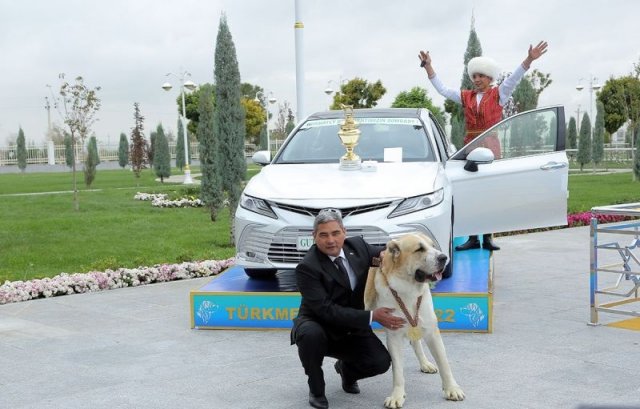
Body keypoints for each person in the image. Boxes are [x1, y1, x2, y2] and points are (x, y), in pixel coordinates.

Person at [418, 41, 548, 251]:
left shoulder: (500, 93)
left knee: (490, 191)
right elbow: (441, 89)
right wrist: (428, 67)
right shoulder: (465, 96)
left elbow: (515, 77)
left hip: (491, 147)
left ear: (489, 78)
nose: (477, 80)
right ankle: (472, 238)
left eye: (481, 76)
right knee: (470, 190)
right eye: (474, 76)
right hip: (470, 147)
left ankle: (487, 238)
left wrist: (530, 59)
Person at [290, 209, 405, 409]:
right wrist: (372, 316)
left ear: (344, 231)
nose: (331, 240)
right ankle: (316, 390)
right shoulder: (307, 267)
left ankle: (346, 371)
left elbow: (381, 253)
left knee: (380, 362)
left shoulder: (358, 246)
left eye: (335, 233)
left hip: (352, 327)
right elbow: (327, 310)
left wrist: (390, 253)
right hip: (319, 325)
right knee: (310, 335)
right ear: (314, 237)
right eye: (323, 235)